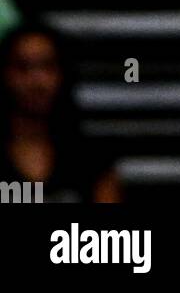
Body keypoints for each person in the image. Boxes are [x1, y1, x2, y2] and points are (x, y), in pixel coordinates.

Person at [0, 23, 121, 202]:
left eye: (47, 67)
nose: (37, 82)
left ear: (64, 74)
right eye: (23, 67)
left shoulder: (91, 158)